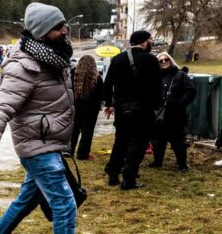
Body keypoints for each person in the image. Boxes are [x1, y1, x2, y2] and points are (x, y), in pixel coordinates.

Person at [0, 2, 78, 234]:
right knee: (64, 206)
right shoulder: (24, 66)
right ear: (41, 33)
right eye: (58, 28)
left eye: (65, 25)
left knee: (29, 198)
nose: (65, 31)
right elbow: (0, 110)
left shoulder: (54, 58)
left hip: (48, 144)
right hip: (37, 147)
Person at [103, 31, 161, 190]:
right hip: (143, 109)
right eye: (150, 40)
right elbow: (157, 87)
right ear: (143, 42)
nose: (151, 42)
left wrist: (109, 103)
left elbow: (107, 84)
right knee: (138, 143)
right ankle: (129, 178)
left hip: (122, 109)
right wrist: (156, 107)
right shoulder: (151, 60)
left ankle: (113, 173)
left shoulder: (117, 59)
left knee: (120, 141)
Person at [150, 52, 196, 172]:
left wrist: (180, 102)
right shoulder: (154, 76)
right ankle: (157, 161)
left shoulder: (180, 75)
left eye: (166, 60)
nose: (164, 62)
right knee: (157, 140)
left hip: (176, 114)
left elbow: (191, 91)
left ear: (171, 60)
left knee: (178, 140)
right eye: (161, 61)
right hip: (159, 113)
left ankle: (182, 165)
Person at [71, 55, 104, 160]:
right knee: (87, 131)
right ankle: (82, 154)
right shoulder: (97, 78)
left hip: (76, 107)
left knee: (74, 130)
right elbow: (102, 95)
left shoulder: (73, 75)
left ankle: (69, 151)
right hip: (92, 109)